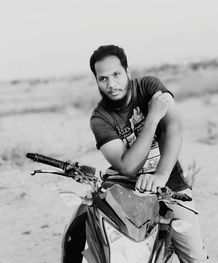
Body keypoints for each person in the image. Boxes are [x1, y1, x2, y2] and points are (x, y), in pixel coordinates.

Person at [89, 45, 207, 262]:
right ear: (96, 81)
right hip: (130, 193)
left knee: (195, 257)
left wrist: (160, 176)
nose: (111, 84)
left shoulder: (148, 86)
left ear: (127, 72)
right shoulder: (100, 119)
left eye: (116, 74)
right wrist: (152, 118)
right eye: (102, 78)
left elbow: (174, 128)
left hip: (171, 184)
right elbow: (128, 166)